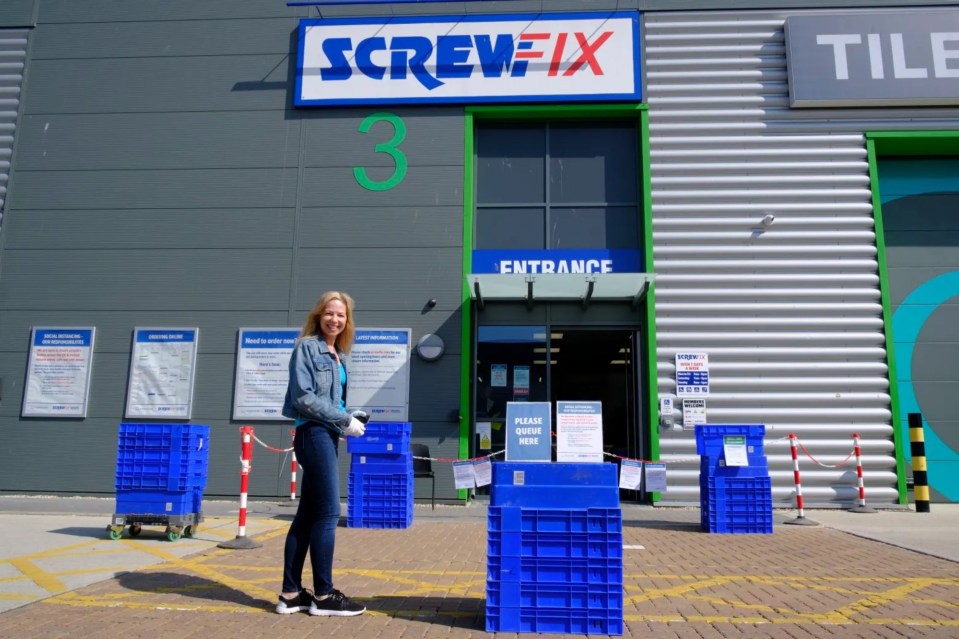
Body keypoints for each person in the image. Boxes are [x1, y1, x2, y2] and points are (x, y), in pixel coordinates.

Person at [276, 291, 369, 616]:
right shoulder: (307, 347)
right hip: (313, 434)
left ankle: (290, 594)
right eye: (330, 313)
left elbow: (330, 400)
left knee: (307, 515)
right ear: (319, 315)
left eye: (341, 315)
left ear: (347, 321)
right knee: (329, 513)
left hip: (326, 434)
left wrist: (349, 415)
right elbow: (302, 397)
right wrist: (344, 419)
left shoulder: (338, 354)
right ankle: (324, 595)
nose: (335, 319)